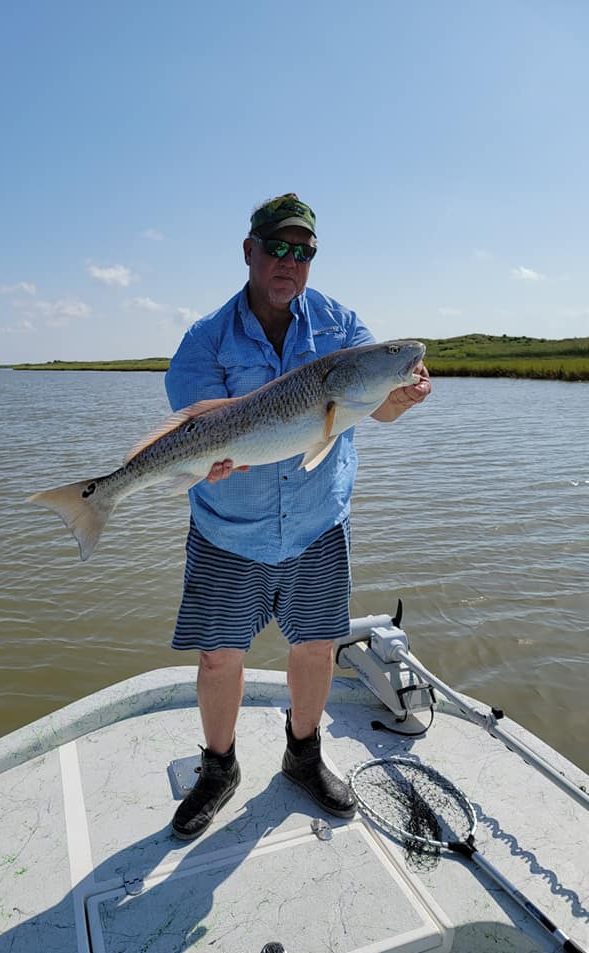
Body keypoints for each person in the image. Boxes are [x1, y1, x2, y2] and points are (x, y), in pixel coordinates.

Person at [164, 193, 430, 841]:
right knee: (220, 658)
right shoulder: (205, 340)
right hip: (230, 529)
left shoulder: (341, 328)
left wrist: (406, 390)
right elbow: (197, 430)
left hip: (318, 524)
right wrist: (206, 462)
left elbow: (381, 406)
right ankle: (219, 767)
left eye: (303, 251)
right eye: (277, 247)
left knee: (315, 647)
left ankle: (302, 755)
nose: (290, 261)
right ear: (249, 251)